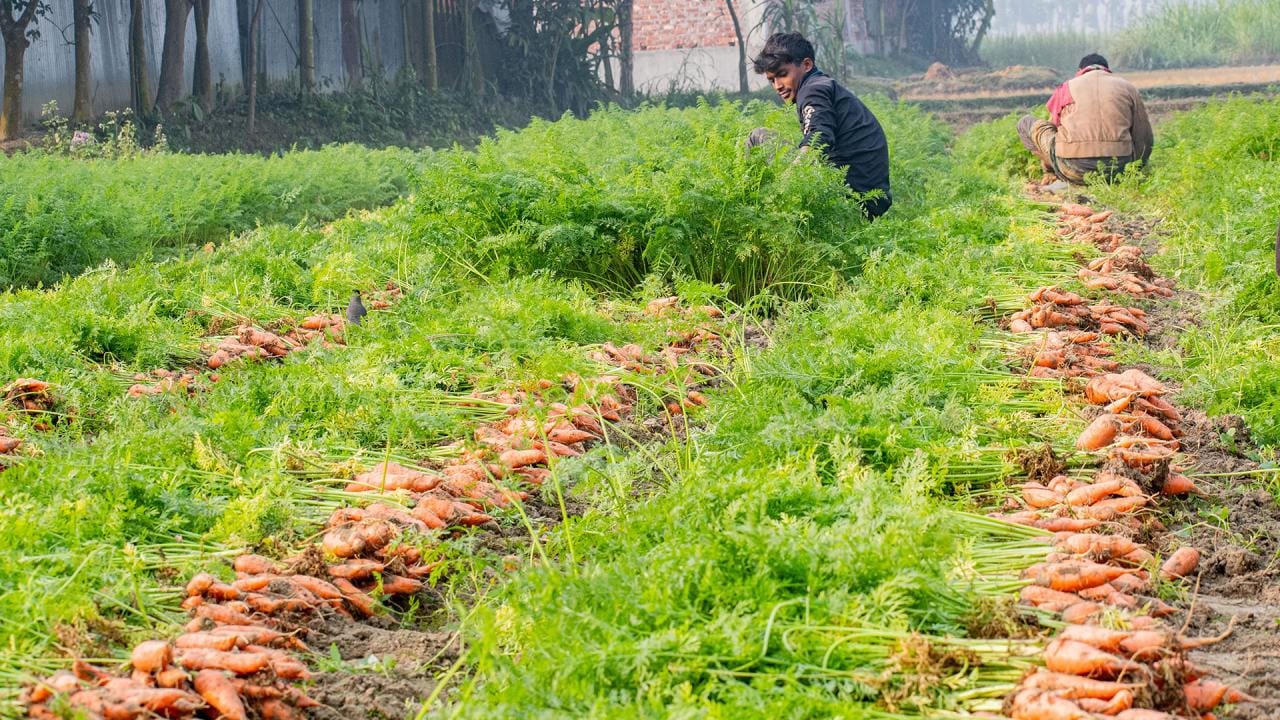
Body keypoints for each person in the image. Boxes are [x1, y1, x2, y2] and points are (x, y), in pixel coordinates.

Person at [747, 32, 892, 219]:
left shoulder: (813, 90)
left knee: (758, 137)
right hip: (869, 203)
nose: (777, 86)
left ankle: (750, 212)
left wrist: (783, 187)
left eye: (782, 75)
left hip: (847, 202)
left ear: (806, 65)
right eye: (771, 80)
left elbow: (817, 138)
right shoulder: (823, 85)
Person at [1018, 54, 1153, 185]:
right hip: (1119, 170)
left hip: (1072, 169)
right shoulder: (1127, 87)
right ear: (1107, 69)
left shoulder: (1067, 87)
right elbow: (1144, 136)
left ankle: (1053, 172)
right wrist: (1136, 167)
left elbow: (1053, 128)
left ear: (1080, 71)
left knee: (1025, 123)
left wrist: (1050, 166)